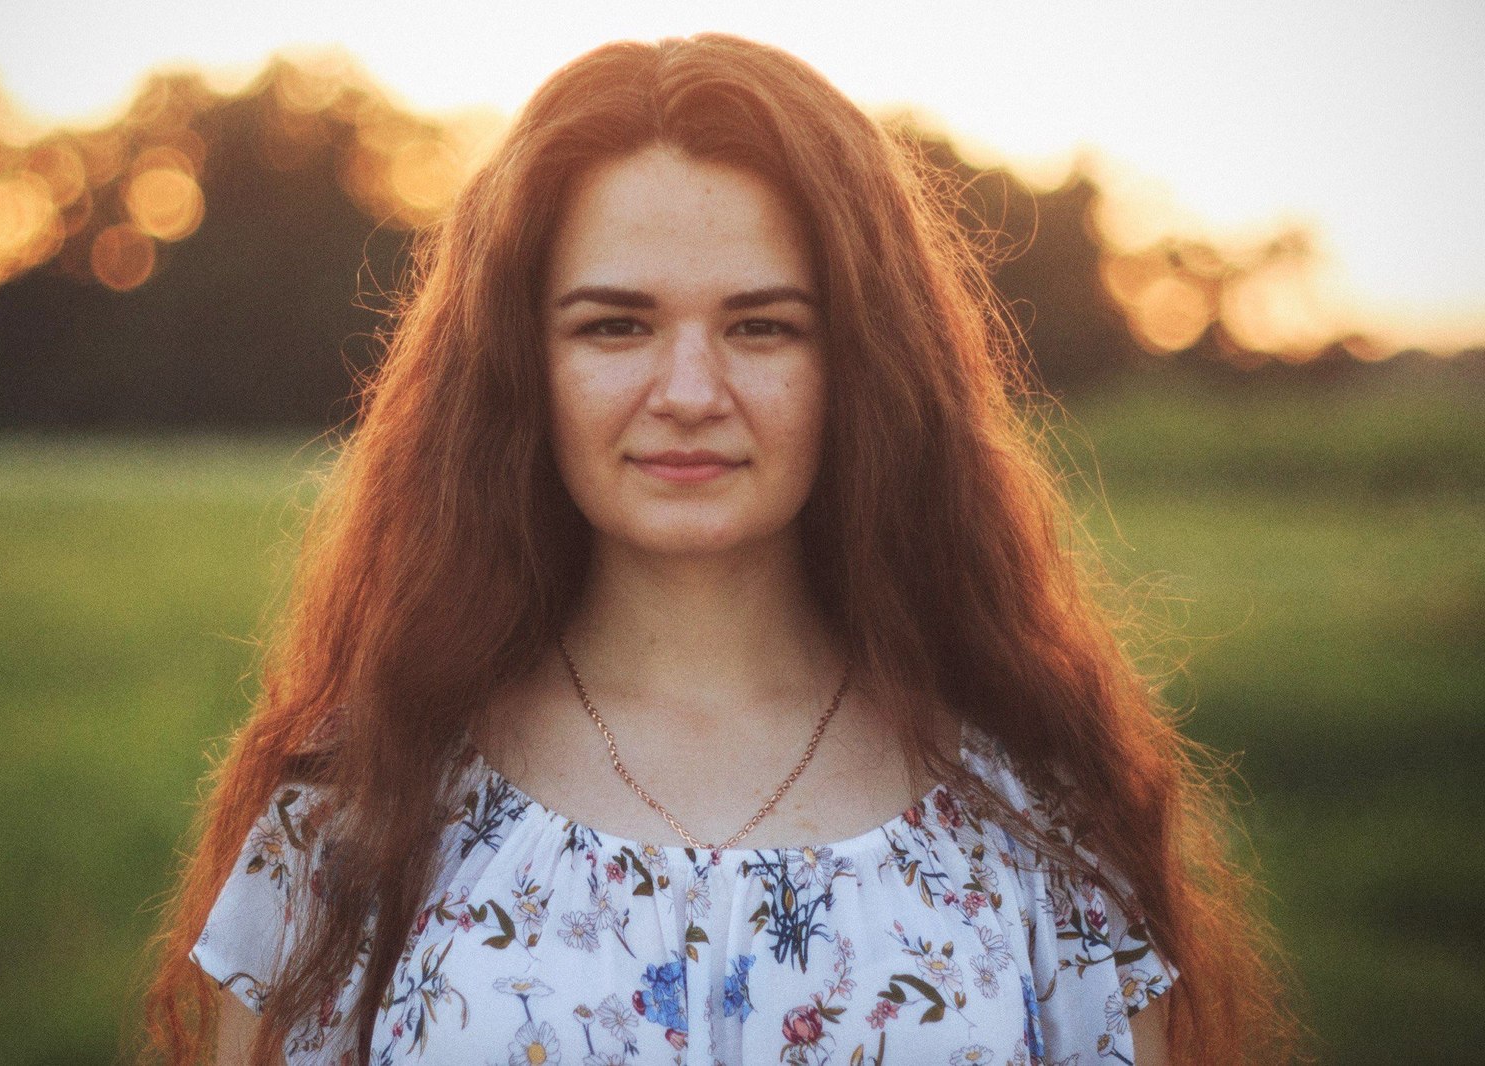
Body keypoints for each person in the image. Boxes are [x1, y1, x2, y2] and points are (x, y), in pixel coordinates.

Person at [143, 32, 1294, 1066]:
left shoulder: (1040, 816)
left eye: (761, 325)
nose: (689, 392)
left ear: (861, 365)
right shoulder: (355, 809)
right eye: (615, 324)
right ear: (516, 366)